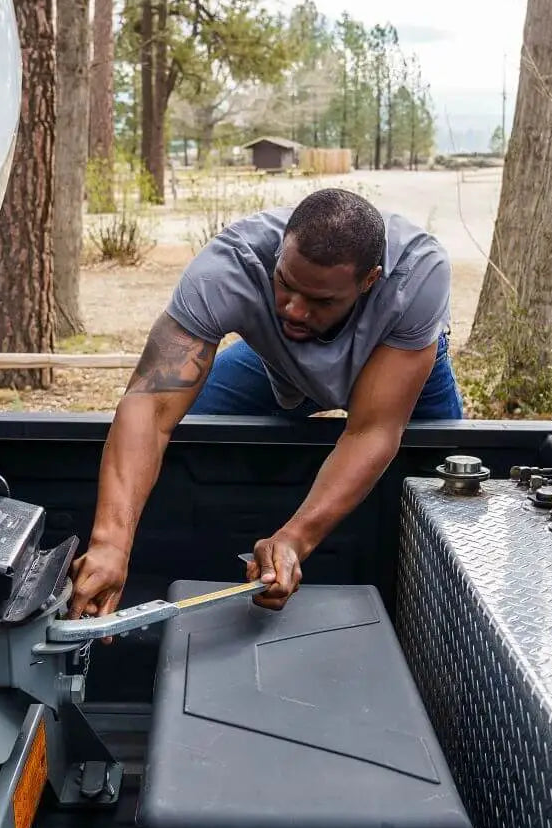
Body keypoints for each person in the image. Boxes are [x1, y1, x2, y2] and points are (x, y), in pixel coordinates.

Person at [65, 187, 462, 622]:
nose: (293, 309)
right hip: (282, 364)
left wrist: (295, 538)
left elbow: (371, 430)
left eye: (321, 300)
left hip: (396, 365)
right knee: (187, 440)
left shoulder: (418, 274)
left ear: (370, 281)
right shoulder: (228, 266)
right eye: (285, 284)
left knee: (447, 494)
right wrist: (110, 543)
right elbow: (150, 406)